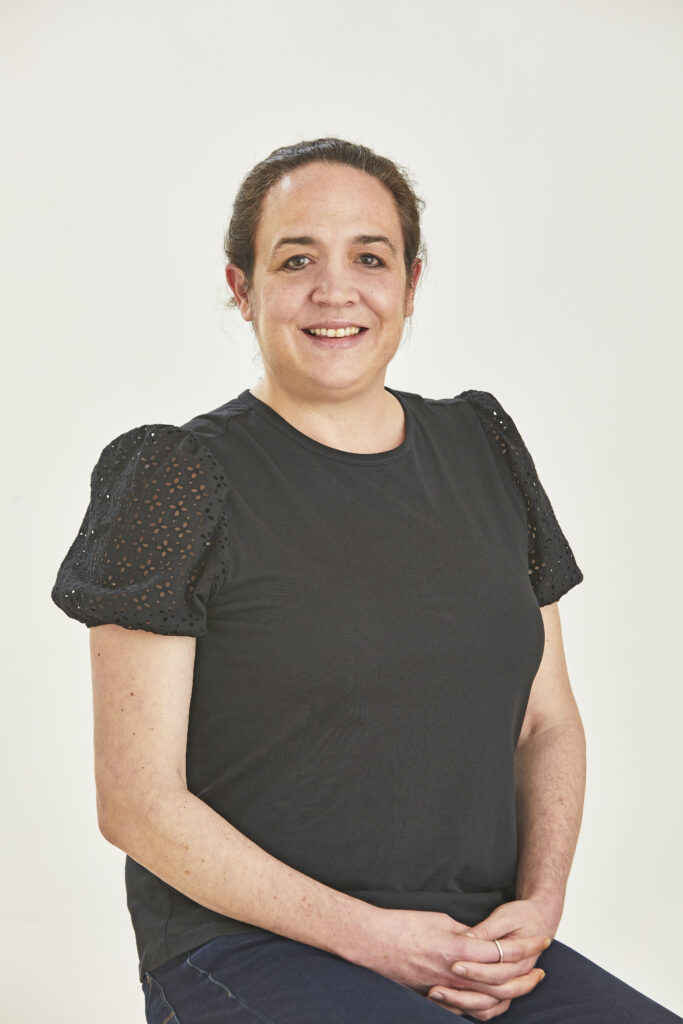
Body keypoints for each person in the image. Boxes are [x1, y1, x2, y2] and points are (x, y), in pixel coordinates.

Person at [51, 137, 681, 1023]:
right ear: (241, 288)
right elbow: (136, 803)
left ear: (411, 285)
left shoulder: (484, 447)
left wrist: (537, 909)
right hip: (249, 947)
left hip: (474, 944)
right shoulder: (174, 475)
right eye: (295, 259)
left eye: (369, 259)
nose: (335, 290)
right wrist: (373, 938)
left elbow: (545, 722)